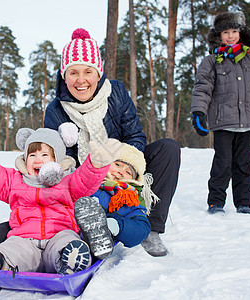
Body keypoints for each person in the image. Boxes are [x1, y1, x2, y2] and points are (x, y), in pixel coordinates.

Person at [44, 28, 181, 257]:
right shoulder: (56, 110)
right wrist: (93, 170)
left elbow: (135, 136)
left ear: (98, 74)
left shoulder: (116, 92)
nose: (81, 80)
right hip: (84, 176)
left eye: (88, 72)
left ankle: (151, 228)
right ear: (63, 75)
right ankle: (90, 223)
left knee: (168, 149)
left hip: (122, 162)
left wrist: (118, 166)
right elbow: (58, 156)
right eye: (73, 72)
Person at [0, 123, 122, 274]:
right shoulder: (15, 180)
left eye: (45, 155)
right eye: (32, 155)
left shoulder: (67, 181)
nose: (37, 160)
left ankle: (71, 261)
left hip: (58, 235)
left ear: (57, 160)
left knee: (67, 243)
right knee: (13, 249)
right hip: (24, 238)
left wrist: (96, 164)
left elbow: (85, 180)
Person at [191, 11, 250, 215]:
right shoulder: (211, 61)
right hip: (223, 123)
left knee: (244, 165)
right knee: (222, 165)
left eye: (234, 31)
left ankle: (243, 203)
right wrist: (198, 113)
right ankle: (216, 202)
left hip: (246, 123)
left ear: (241, 33)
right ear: (219, 36)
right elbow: (202, 88)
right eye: (226, 32)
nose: (230, 36)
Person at [74, 143, 153, 259]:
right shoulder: (85, 179)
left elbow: (142, 228)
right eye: (117, 164)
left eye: (128, 172)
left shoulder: (131, 199)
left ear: (134, 179)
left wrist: (116, 225)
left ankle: (95, 241)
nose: (121, 172)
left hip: (96, 239)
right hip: (67, 228)